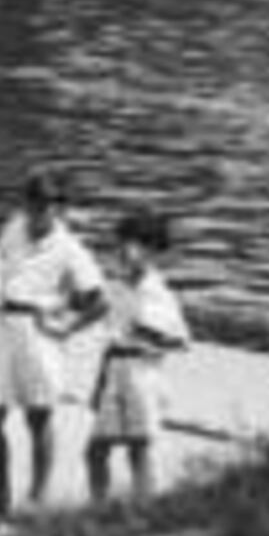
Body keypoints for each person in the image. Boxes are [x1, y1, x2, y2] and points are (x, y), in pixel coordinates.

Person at [0, 169, 107, 516]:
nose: (37, 211)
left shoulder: (70, 249)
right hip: (4, 328)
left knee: (38, 418)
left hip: (39, 334)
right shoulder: (13, 227)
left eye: (46, 205)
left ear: (60, 208)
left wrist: (66, 327)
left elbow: (99, 301)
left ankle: (37, 499)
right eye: (32, 202)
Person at [83, 209, 193, 504]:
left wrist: (149, 336)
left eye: (131, 245)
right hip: (116, 370)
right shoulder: (116, 287)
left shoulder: (158, 293)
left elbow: (181, 341)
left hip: (143, 373)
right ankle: (98, 511)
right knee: (96, 450)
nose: (123, 250)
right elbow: (110, 342)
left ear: (151, 251)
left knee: (138, 448)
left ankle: (142, 508)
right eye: (120, 243)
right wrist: (99, 384)